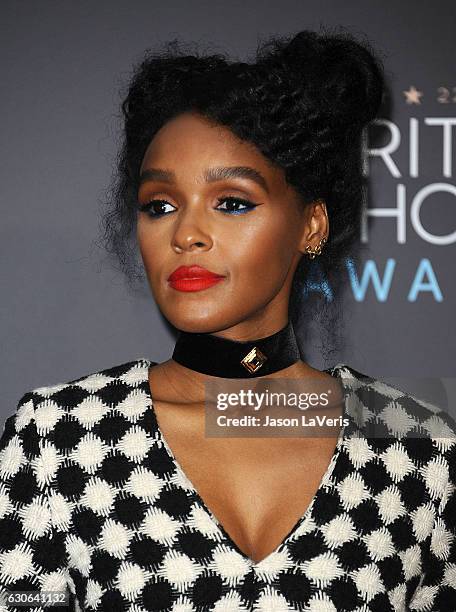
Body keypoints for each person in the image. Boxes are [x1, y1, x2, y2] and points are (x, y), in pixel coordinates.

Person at [1, 27, 455, 612]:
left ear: (312, 225)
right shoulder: (59, 438)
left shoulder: (418, 445)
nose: (185, 233)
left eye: (232, 202)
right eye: (159, 205)